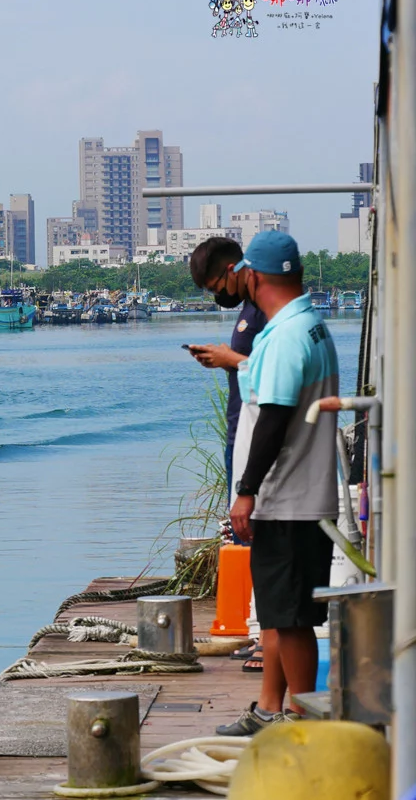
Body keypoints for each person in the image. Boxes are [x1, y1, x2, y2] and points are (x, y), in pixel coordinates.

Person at [215, 231, 340, 736]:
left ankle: (299, 722)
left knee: (290, 620)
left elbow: (273, 419)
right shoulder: (308, 326)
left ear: (254, 275)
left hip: (288, 497)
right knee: (283, 615)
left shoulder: (287, 334)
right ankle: (275, 711)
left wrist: (245, 491)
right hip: (302, 493)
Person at [187, 238, 269, 672]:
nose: (216, 294)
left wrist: (229, 358)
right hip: (240, 428)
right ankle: (259, 629)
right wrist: (225, 360)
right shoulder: (247, 310)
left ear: (234, 269)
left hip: (258, 432)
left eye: (216, 285)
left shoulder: (266, 312)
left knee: (257, 530)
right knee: (244, 530)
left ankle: (265, 636)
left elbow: (276, 373)